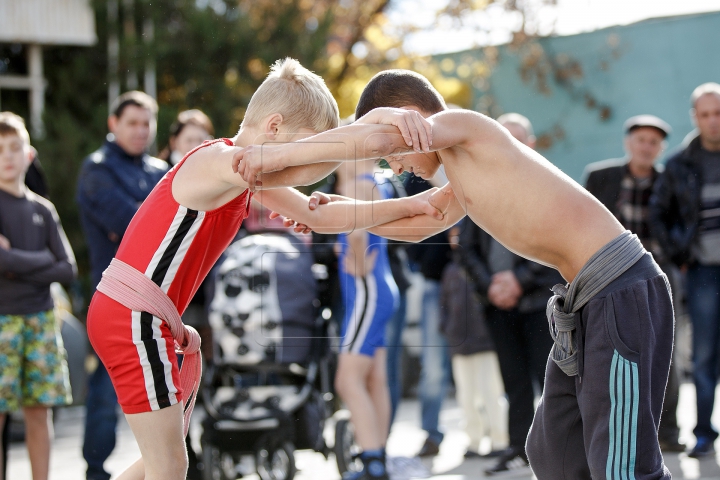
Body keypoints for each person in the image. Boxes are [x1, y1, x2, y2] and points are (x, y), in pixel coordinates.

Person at [238, 68, 675, 479]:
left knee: (622, 464)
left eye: (393, 153)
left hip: (620, 289)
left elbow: (368, 138)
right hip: (584, 302)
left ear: (409, 121)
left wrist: (272, 157)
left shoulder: (470, 130)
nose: (393, 167)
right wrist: (333, 216)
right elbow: (419, 222)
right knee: (555, 449)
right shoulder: (463, 181)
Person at [84, 58, 442, 480]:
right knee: (170, 464)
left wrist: (413, 205)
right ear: (274, 128)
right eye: (307, 142)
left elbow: (321, 215)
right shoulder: (220, 161)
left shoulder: (244, 178)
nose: (304, 159)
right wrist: (375, 122)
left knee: (157, 456)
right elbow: (314, 164)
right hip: (134, 316)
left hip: (135, 315)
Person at [456, 113, 563, 475]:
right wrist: (492, 285)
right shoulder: (475, 187)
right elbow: (466, 248)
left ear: (530, 145)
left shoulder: (547, 186)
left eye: (518, 139)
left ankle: (559, 451)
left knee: (549, 382)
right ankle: (519, 447)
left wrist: (517, 280)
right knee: (513, 382)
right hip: (497, 305)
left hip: (536, 301)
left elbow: (553, 243)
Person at [76, 90, 169, 480]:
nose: (140, 130)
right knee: (106, 390)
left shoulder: (157, 170)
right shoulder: (97, 169)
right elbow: (134, 224)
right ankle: (96, 470)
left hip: (160, 298)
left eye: (147, 122)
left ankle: (161, 464)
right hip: (113, 302)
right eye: (132, 122)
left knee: (163, 389)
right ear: (113, 124)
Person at [584, 114, 684, 452]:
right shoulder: (601, 177)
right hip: (610, 275)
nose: (646, 146)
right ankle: (618, 432)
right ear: (629, 143)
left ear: (660, 148)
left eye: (653, 142)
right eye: (640, 139)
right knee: (613, 351)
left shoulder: (670, 179)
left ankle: (667, 432)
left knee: (665, 353)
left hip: (659, 275)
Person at [0, 112, 76, 480]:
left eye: (14, 148)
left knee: (39, 411)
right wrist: (39, 260)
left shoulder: (42, 210)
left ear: (29, 154)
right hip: (3, 322)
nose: (7, 157)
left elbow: (66, 268)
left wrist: (15, 261)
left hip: (41, 320)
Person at [649, 82, 720, 458]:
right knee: (704, 354)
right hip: (703, 271)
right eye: (705, 114)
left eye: (718, 113)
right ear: (695, 117)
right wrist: (681, 253)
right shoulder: (679, 164)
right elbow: (658, 215)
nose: (713, 121)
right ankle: (704, 432)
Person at [333, 159, 398, 480]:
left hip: (367, 291)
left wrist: (351, 254)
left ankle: (372, 460)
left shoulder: (356, 183)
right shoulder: (374, 181)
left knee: (347, 379)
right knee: (375, 379)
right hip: (379, 288)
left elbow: (359, 238)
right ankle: (379, 456)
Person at [439, 221, 508, 459]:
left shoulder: (483, 268)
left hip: (486, 343)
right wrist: (447, 330)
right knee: (466, 397)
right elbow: (444, 308)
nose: (456, 240)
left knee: (492, 393)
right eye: (452, 236)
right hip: (459, 344)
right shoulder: (449, 272)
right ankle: (474, 441)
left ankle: (500, 439)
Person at [403, 173, 452, 458]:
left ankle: (504, 436)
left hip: (471, 283)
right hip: (433, 284)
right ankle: (431, 434)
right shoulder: (413, 179)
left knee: (484, 364)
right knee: (433, 366)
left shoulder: (462, 163)